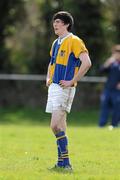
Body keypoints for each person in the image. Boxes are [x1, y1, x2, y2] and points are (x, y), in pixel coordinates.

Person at [46, 11, 92, 171]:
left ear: (66, 24)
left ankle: (65, 163)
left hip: (65, 88)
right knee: (61, 127)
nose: (55, 24)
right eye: (54, 22)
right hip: (54, 87)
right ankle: (63, 164)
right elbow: (51, 62)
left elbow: (87, 63)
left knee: (54, 126)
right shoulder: (55, 43)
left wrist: (73, 80)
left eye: (58, 22)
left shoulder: (74, 41)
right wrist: (48, 78)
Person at [99, 44, 120, 128]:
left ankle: (114, 124)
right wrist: (107, 63)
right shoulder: (111, 63)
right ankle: (101, 125)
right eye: (116, 53)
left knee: (117, 106)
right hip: (108, 89)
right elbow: (101, 71)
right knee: (104, 105)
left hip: (117, 91)